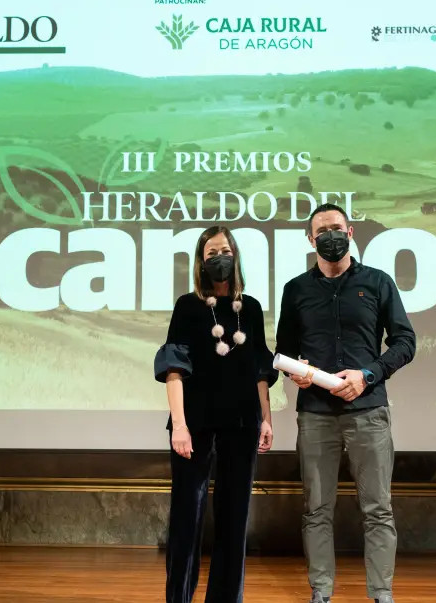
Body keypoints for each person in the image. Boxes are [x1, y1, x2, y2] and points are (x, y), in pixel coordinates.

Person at [276, 203, 417, 603]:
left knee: (378, 510)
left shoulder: (378, 282)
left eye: (336, 228)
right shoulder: (296, 290)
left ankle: (381, 594)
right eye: (322, 231)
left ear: (350, 232)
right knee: (316, 510)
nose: (330, 236)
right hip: (315, 416)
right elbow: (284, 350)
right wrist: (296, 370)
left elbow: (405, 342)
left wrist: (368, 375)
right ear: (311, 240)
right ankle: (321, 592)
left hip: (369, 412)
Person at [155, 225, 278, 603]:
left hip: (242, 423)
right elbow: (174, 368)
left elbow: (259, 370)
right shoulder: (187, 306)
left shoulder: (250, 308)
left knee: (234, 517)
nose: (219, 258)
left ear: (235, 256)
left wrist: (266, 418)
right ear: (201, 261)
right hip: (194, 424)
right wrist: (179, 425)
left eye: (225, 251)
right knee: (186, 517)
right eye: (211, 253)